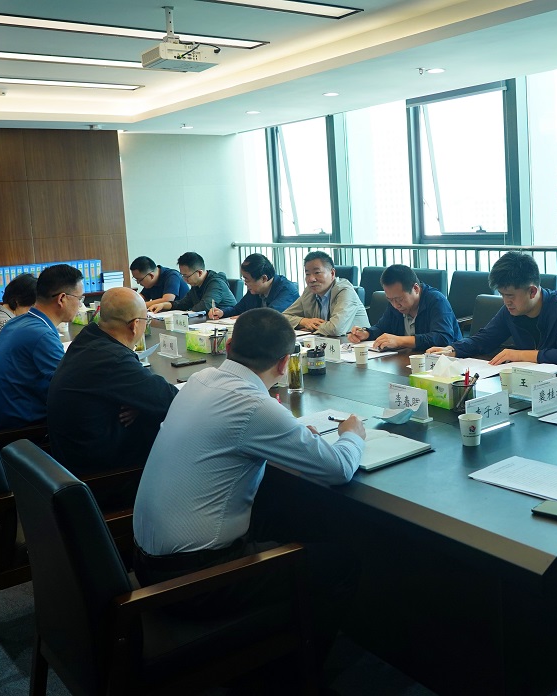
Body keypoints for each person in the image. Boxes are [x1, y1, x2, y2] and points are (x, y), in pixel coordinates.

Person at [133, 307, 363, 681]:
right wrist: (352, 435)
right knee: (341, 562)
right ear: (284, 363)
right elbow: (338, 468)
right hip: (194, 584)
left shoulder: (201, 378)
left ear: (228, 346)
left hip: (147, 563)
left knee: (283, 514)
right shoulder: (255, 405)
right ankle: (296, 678)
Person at [48, 287, 178, 508]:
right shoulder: (112, 358)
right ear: (135, 325)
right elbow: (170, 400)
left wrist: (139, 402)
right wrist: (143, 402)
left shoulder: (89, 337)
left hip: (70, 460)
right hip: (102, 479)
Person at [428, 252, 557, 370]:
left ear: (532, 291)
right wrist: (452, 349)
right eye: (502, 295)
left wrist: (518, 355)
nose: (506, 301)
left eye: (510, 296)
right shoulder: (510, 310)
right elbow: (485, 339)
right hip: (537, 381)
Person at [0, 264, 84, 430]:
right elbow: (71, 387)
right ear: (62, 299)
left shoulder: (17, 322)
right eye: (80, 298)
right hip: (22, 429)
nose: (80, 305)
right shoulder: (41, 335)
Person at [347, 264, 462, 351]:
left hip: (443, 363)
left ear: (415, 289)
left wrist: (400, 341)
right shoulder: (395, 302)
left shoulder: (436, 300)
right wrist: (366, 333)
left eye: (400, 299)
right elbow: (382, 328)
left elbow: (443, 338)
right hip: (407, 360)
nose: (395, 305)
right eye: (390, 300)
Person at [282, 251, 367, 336]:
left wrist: (311, 328)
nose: (311, 279)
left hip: (354, 343)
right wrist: (304, 321)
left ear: (332, 273)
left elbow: (336, 328)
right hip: (324, 342)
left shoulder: (345, 291)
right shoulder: (309, 292)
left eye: (317, 273)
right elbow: (283, 318)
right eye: (307, 274)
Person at [207, 253, 298, 319]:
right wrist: (222, 312)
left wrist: (246, 318)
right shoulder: (255, 290)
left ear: (264, 278)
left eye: (247, 279)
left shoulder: (287, 290)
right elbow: (238, 309)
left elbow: (270, 315)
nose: (245, 283)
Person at [148, 251, 238, 314]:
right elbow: (183, 303)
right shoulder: (196, 284)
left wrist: (184, 315)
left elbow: (205, 306)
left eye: (186, 276)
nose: (184, 280)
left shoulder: (216, 283)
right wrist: (163, 305)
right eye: (182, 275)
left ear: (199, 273)